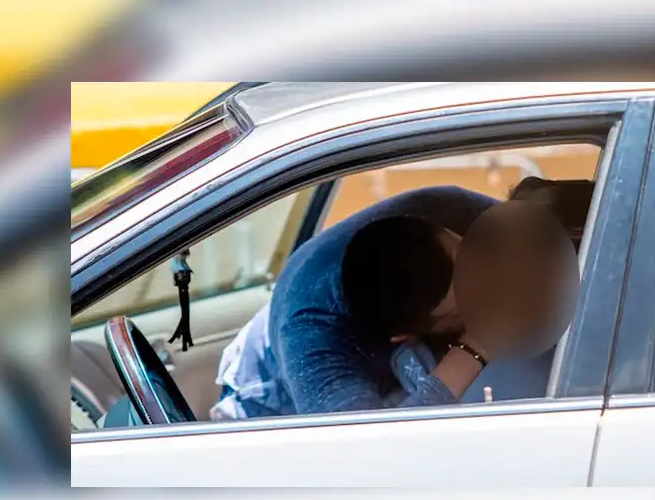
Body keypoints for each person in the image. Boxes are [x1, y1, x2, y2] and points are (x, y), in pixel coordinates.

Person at [211, 178, 596, 420]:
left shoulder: (454, 209)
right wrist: (480, 344)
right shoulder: (314, 344)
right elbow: (368, 456)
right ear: (406, 335)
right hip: (270, 398)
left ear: (443, 230)